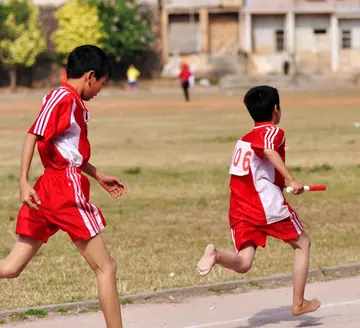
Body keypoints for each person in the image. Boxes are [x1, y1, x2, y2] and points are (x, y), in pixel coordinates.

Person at [0, 45, 126, 328]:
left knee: (10, 268)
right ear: (90, 76)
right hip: (62, 189)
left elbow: (65, 150)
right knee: (106, 268)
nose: (99, 91)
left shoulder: (68, 100)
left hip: (49, 187)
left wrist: (97, 174)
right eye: (102, 84)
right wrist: (22, 182)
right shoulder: (64, 98)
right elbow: (33, 135)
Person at [197, 85, 321, 317]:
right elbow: (269, 150)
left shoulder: (242, 140)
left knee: (243, 263)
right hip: (265, 206)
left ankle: (217, 256)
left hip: (239, 207)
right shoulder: (273, 132)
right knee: (302, 244)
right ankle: (298, 303)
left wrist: (279, 182)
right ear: (276, 109)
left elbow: (256, 169)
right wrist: (291, 179)